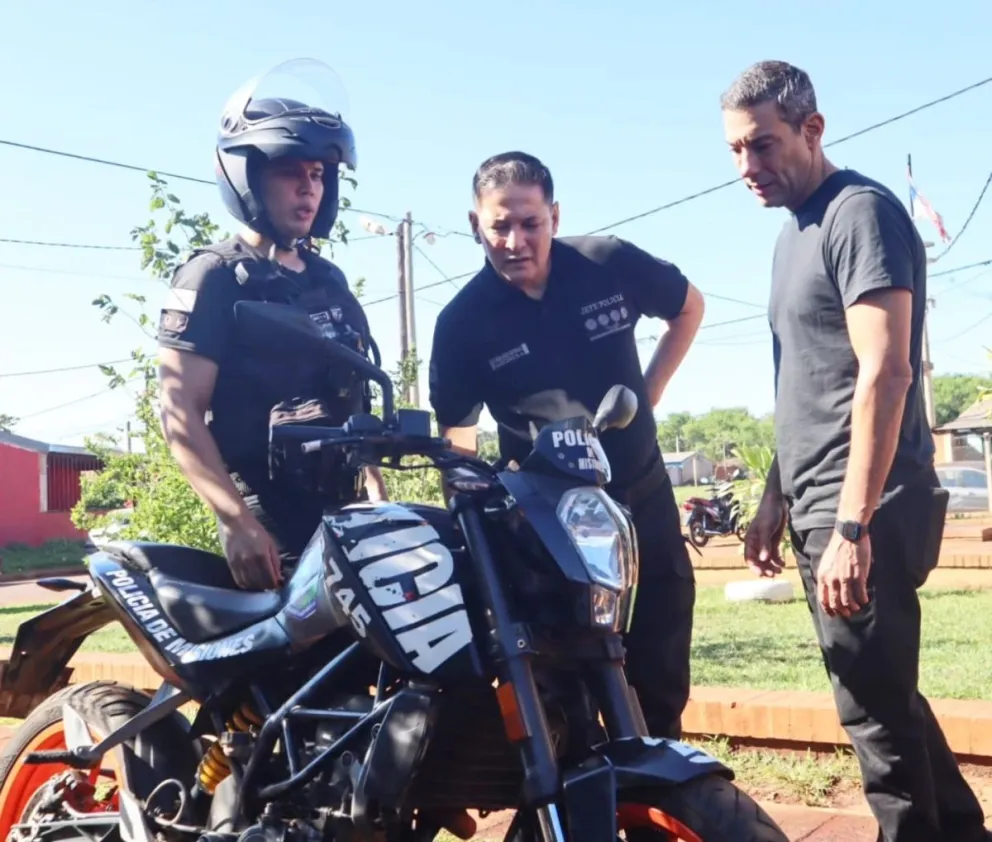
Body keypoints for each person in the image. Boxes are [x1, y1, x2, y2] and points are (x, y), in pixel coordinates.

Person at [721, 59, 988, 842]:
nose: (748, 168)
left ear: (813, 129)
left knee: (868, 710)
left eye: (763, 146)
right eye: (736, 150)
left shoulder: (859, 213)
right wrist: (776, 495)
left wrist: (849, 527)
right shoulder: (791, 237)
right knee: (884, 691)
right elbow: (808, 382)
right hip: (818, 500)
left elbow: (887, 370)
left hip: (864, 505)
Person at [427, 151, 705, 739]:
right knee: (570, 697)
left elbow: (689, 306)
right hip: (546, 530)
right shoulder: (461, 323)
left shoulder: (608, 262)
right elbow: (457, 438)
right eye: (499, 225)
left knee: (658, 674)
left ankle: (661, 806)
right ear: (476, 224)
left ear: (555, 215)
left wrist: (647, 395)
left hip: (641, 499)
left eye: (530, 223)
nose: (514, 240)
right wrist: (465, 486)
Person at [156, 61, 387, 592]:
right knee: (297, 668)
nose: (308, 189)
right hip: (267, 511)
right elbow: (179, 413)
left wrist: (374, 487)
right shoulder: (213, 277)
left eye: (318, 174)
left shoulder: (329, 280)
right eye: (291, 172)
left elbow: (354, 401)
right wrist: (236, 520)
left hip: (344, 503)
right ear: (248, 176)